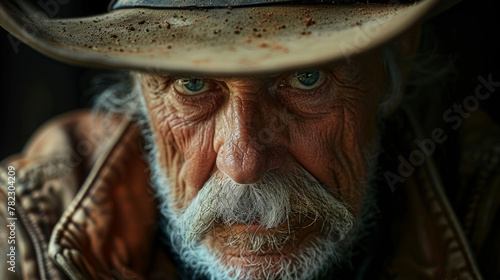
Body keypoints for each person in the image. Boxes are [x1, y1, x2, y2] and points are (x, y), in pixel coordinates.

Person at [1, 0, 499, 279]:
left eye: (307, 79)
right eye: (191, 85)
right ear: (136, 85)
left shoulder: (486, 202)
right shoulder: (21, 222)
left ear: (397, 60)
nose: (244, 161)